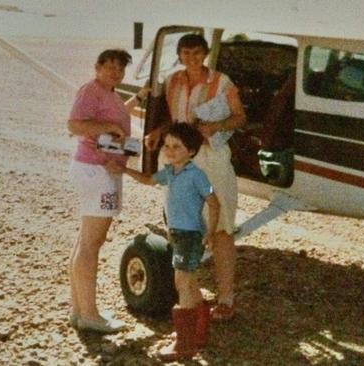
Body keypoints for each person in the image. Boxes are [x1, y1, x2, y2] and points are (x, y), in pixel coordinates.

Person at [144, 33, 246, 321]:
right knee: (182, 226)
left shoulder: (221, 82)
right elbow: (175, 121)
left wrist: (216, 126)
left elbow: (240, 117)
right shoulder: (173, 81)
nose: (191, 57)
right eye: (186, 53)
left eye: (197, 52)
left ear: (205, 53)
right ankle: (192, 297)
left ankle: (226, 298)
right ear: (179, 55)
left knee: (222, 227)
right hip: (177, 158)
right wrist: (158, 133)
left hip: (210, 158)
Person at [112, 123, 220, 361]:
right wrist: (126, 170)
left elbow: (214, 202)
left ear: (191, 151)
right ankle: (198, 333)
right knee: (189, 283)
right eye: (167, 145)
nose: (169, 151)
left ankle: (184, 344)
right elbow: (150, 180)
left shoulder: (197, 175)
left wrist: (210, 232)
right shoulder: (170, 172)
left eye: (176, 147)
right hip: (177, 235)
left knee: (181, 282)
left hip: (191, 235)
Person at [66, 49, 149, 333]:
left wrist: (138, 99)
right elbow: (75, 124)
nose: (115, 72)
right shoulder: (91, 90)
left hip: (100, 169)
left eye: (120, 69)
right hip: (96, 171)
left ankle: (79, 310)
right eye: (109, 67)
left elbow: (117, 115)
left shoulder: (109, 94)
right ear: (97, 67)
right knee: (92, 243)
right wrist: (109, 126)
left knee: (85, 240)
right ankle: (90, 314)